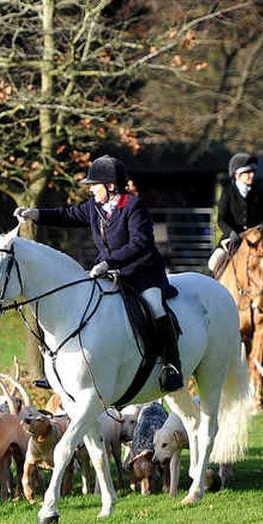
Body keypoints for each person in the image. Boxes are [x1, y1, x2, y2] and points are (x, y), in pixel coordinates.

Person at [13, 155, 184, 392]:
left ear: (111, 186)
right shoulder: (95, 207)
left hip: (141, 272)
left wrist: (108, 262)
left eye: (94, 185)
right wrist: (36, 214)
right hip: (108, 270)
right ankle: (59, 369)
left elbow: (139, 243)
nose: (91, 189)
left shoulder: (134, 207)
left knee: (155, 307)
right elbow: (68, 215)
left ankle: (171, 366)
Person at [208, 153, 263, 302]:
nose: (251, 175)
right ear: (237, 175)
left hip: (257, 239)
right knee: (213, 261)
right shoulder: (228, 192)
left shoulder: (260, 191)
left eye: (252, 172)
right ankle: (211, 293)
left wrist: (261, 229)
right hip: (233, 238)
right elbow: (222, 219)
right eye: (247, 172)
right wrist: (231, 233)